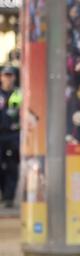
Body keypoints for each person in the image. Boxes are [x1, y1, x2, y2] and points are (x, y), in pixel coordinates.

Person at [0, 66, 21, 207]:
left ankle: (9, 197)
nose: (8, 78)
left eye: (10, 76)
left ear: (14, 77)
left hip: (13, 135)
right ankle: (3, 194)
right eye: (5, 75)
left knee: (12, 166)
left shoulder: (19, 94)